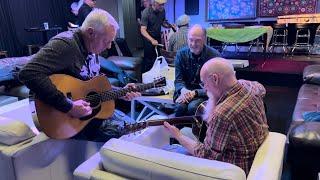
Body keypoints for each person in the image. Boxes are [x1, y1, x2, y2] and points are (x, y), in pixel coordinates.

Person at [19, 9, 141, 142]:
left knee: (136, 129)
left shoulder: (91, 47)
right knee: (130, 137)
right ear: (90, 32)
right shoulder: (66, 45)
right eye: (106, 41)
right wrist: (69, 106)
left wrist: (120, 92)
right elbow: (28, 72)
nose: (109, 46)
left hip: (88, 116)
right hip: (64, 118)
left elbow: (89, 85)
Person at [164, 58, 269, 175]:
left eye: (204, 83)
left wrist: (177, 135)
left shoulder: (222, 114)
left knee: (169, 149)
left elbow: (206, 156)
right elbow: (262, 89)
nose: (204, 89)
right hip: (252, 156)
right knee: (187, 131)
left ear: (215, 79)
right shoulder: (252, 86)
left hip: (233, 170)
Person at [174, 24, 220, 117]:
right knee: (180, 108)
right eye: (190, 40)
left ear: (204, 39)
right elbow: (178, 81)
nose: (193, 44)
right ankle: (177, 130)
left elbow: (216, 86)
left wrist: (195, 92)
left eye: (197, 41)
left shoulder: (214, 56)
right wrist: (183, 91)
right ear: (187, 39)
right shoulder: (181, 54)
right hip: (184, 92)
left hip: (204, 93)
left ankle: (198, 131)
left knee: (193, 107)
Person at [140, 0, 172, 73]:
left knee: (158, 57)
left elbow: (163, 23)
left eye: (163, 4)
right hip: (148, 37)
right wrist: (152, 40)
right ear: (154, 3)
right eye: (160, 4)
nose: (162, 6)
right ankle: (146, 76)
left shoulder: (162, 11)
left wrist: (169, 26)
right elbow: (142, 30)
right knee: (149, 59)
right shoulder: (146, 12)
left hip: (157, 36)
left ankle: (157, 75)